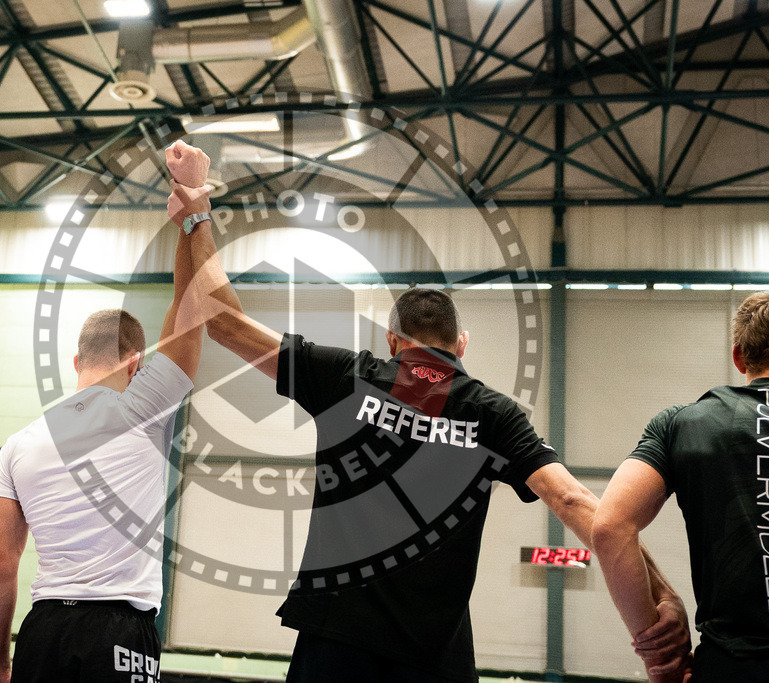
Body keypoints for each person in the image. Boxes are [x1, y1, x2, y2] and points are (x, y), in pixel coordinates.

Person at [164, 140, 690, 683]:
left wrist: (195, 203)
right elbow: (576, 500)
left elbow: (222, 323)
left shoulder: (348, 377)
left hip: (336, 641)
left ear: (394, 342)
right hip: (434, 654)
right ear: (461, 344)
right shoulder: (493, 413)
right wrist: (662, 595)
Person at [0, 153, 211, 682]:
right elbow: (190, 308)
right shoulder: (143, 407)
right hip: (117, 633)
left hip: (41, 632)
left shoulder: (19, 444)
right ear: (136, 364)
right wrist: (190, 217)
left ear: (78, 361)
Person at [594, 287, 769, 683]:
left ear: (739, 356)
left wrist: (660, 655)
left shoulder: (680, 424)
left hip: (728, 667)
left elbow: (609, 527)